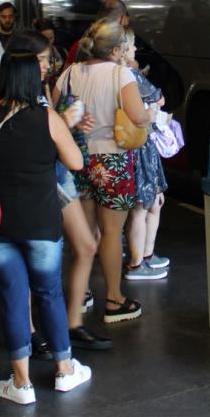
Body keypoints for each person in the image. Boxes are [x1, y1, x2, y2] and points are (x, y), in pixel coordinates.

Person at [0, 44, 92, 404]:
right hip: (42, 224)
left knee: (12, 296)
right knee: (49, 293)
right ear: (32, 80)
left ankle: (21, 383)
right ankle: (65, 371)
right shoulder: (48, 119)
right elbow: (76, 163)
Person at [3, 31, 110, 352]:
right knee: (28, 258)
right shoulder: (7, 95)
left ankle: (72, 323)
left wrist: (69, 124)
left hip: (57, 176)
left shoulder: (43, 87)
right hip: (32, 182)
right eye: (40, 60)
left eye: (47, 60)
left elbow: (51, 132)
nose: (46, 66)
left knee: (86, 245)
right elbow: (27, 134)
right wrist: (64, 120)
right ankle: (31, 332)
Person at [52, 18, 151, 324]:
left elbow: (53, 113)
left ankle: (81, 295)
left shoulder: (70, 72)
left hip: (78, 159)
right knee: (111, 233)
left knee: (83, 233)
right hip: (112, 161)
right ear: (118, 49)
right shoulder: (121, 74)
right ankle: (114, 299)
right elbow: (137, 116)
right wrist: (150, 114)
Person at [119, 27, 170, 282]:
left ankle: (144, 257)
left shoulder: (103, 73)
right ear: (122, 49)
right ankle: (138, 263)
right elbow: (159, 99)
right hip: (139, 145)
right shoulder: (130, 75)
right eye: (131, 45)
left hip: (120, 147)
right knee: (145, 205)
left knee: (147, 204)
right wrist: (149, 112)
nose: (135, 49)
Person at [32, 18, 66, 86]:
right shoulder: (32, 55)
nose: (49, 42)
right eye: (44, 39)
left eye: (51, 38)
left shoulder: (62, 52)